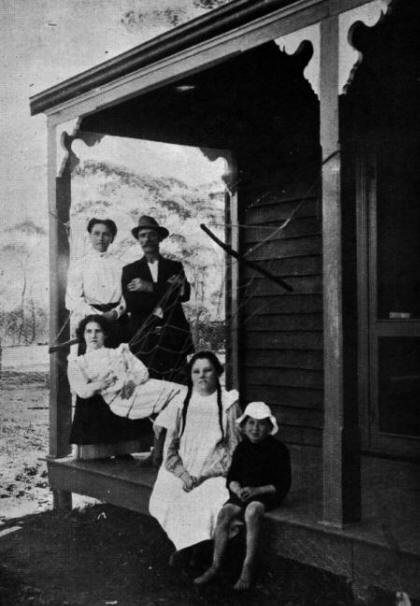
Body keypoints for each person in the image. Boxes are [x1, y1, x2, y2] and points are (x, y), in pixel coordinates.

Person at [149, 351, 241, 561]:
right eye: (196, 371)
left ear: (217, 372)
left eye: (207, 370)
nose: (202, 376)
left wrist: (204, 476)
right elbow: (170, 450)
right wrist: (183, 474)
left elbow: (234, 451)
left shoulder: (228, 403)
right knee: (168, 497)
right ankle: (185, 548)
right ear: (190, 375)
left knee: (206, 500)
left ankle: (196, 553)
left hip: (216, 472)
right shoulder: (181, 402)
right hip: (181, 468)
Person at [194, 401, 291, 591]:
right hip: (244, 492)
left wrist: (257, 491)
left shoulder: (278, 449)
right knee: (225, 513)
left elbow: (282, 484)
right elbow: (232, 478)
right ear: (244, 426)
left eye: (261, 424)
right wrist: (237, 489)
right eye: (251, 423)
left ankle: (248, 567)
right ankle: (216, 565)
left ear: (269, 427)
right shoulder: (242, 448)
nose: (255, 428)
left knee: (252, 511)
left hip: (267, 493)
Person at [68, 315, 184, 456]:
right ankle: (165, 452)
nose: (93, 335)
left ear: (105, 334)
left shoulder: (118, 352)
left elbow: (142, 372)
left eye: (98, 331)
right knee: (180, 396)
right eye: (89, 331)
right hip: (121, 400)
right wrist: (100, 384)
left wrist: (132, 383)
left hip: (140, 387)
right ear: (83, 334)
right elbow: (82, 391)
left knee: (182, 395)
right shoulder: (78, 362)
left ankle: (162, 451)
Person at [122, 215, 194, 383]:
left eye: (151, 235)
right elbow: (134, 305)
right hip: (144, 339)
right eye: (143, 235)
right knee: (147, 388)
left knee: (178, 386)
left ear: (159, 238)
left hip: (172, 338)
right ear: (139, 240)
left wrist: (149, 287)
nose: (147, 239)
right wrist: (167, 290)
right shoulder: (130, 271)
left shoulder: (174, 266)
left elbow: (184, 295)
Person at [66, 218, 127, 342]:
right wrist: (97, 316)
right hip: (91, 323)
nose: (101, 238)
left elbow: (128, 298)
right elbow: (72, 299)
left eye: (106, 234)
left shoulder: (122, 266)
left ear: (112, 238)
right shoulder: (79, 265)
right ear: (90, 236)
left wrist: (115, 313)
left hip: (118, 321)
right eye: (96, 233)